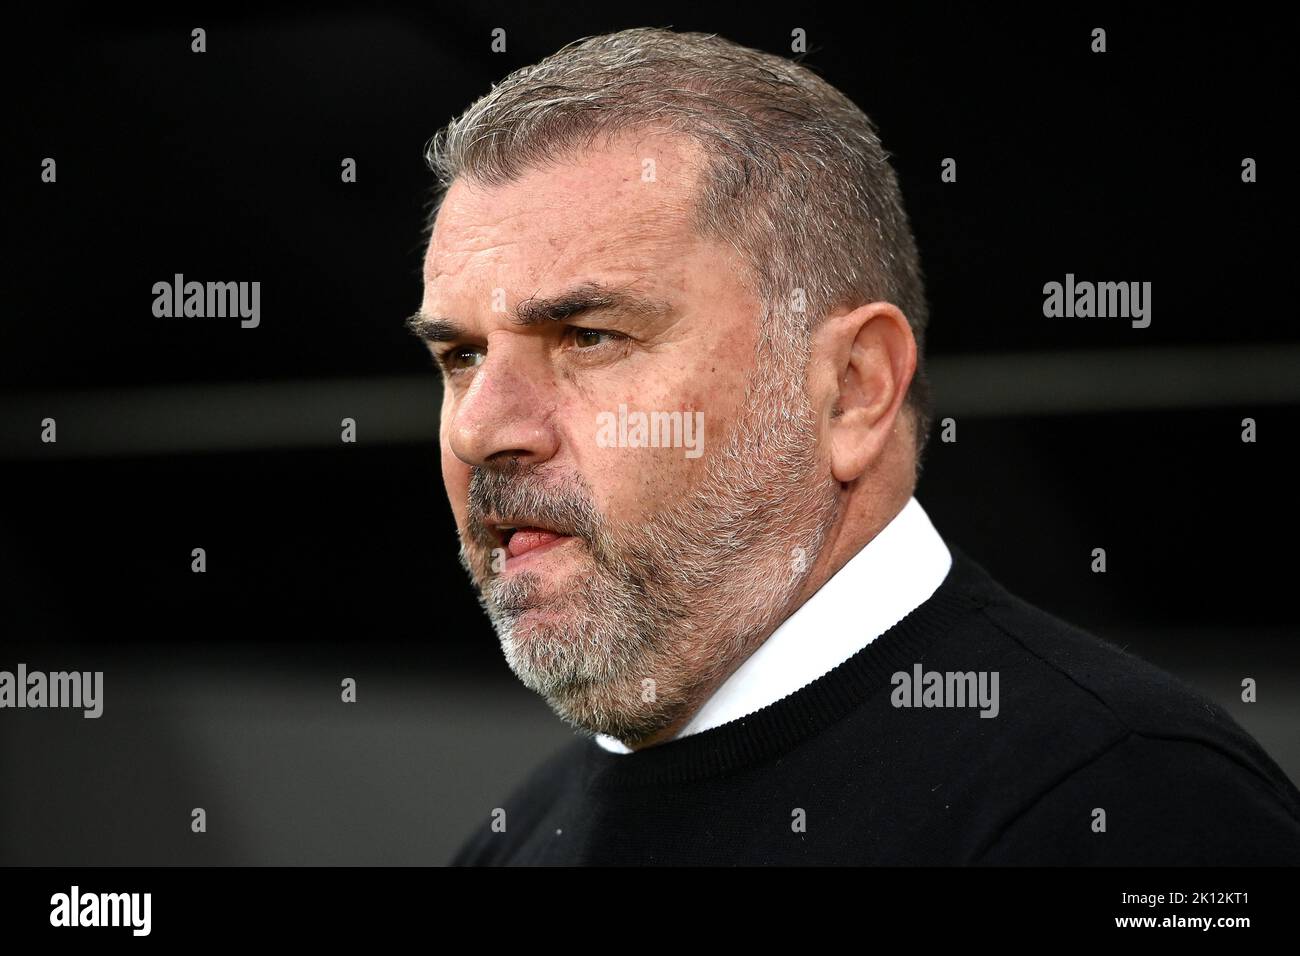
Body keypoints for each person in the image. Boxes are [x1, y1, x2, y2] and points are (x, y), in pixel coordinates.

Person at [406, 27, 1300, 864]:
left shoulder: (1135, 808)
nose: (483, 428)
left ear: (853, 389)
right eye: (461, 355)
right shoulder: (517, 839)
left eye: (589, 336)